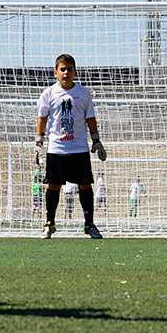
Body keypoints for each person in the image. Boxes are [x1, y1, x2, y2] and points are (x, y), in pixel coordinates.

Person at [35, 53, 106, 239]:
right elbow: (42, 118)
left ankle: (89, 224)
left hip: (79, 148)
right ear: (55, 72)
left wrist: (96, 140)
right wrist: (38, 141)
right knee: (53, 186)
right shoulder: (48, 94)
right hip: (56, 148)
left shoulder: (83, 93)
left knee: (84, 185)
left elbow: (90, 118)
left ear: (75, 71)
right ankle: (49, 223)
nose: (66, 72)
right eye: (62, 69)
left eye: (69, 69)